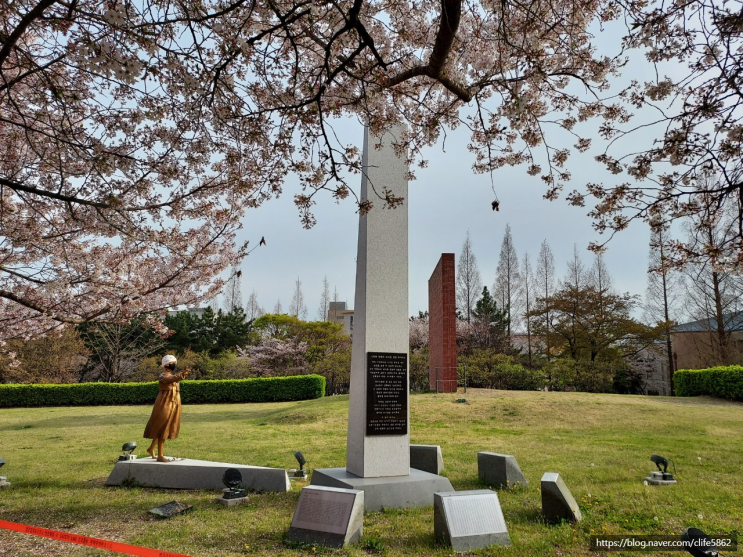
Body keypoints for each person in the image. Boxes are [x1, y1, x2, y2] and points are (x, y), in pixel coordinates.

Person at [143, 355, 188, 462]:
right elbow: (170, 379)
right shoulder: (163, 376)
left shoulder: (171, 375)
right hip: (165, 403)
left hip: (173, 403)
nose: (174, 365)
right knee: (163, 426)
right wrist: (181, 375)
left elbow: (173, 379)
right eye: (173, 362)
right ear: (167, 364)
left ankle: (151, 448)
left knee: (165, 426)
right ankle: (160, 456)